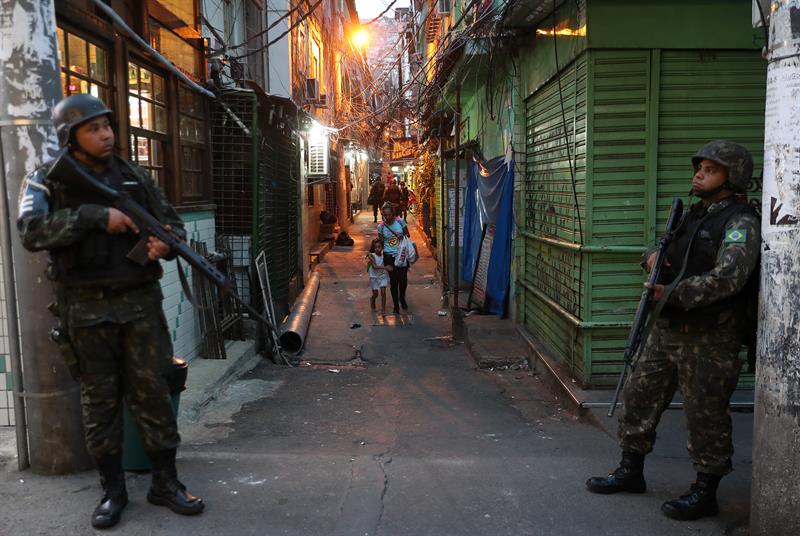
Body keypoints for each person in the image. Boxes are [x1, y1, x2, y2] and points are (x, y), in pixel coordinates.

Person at [17, 94, 204, 529]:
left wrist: (165, 242)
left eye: (108, 126)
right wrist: (95, 217)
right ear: (71, 138)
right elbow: (30, 231)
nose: (106, 135)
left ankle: (165, 482)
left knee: (153, 394)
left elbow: (171, 222)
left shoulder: (134, 177)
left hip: (139, 307)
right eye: (94, 129)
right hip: (84, 312)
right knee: (99, 403)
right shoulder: (47, 180)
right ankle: (112, 491)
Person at [585, 140, 760, 522]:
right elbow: (665, 249)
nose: (699, 174)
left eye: (711, 170)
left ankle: (705, 490)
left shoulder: (740, 222)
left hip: (710, 336)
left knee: (705, 414)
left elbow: (729, 278)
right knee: (639, 396)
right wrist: (651, 259)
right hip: (666, 329)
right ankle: (631, 470)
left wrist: (672, 293)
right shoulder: (693, 215)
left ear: (733, 179)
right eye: (700, 167)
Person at [377, 203, 411, 314]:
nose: (387, 217)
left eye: (389, 214)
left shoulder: (400, 222)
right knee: (394, 281)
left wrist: (402, 236)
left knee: (403, 279)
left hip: (401, 255)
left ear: (393, 214)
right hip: (389, 256)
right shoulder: (381, 227)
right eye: (385, 215)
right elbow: (381, 242)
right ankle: (396, 305)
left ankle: (402, 297)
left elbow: (408, 234)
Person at [367, 238, 391, 314]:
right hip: (374, 277)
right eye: (375, 247)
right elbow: (374, 266)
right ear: (373, 248)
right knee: (375, 294)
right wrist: (386, 267)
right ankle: (372, 299)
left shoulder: (384, 255)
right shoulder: (372, 256)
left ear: (382, 247)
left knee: (383, 292)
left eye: (379, 247)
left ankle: (383, 309)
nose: (377, 249)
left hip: (382, 276)